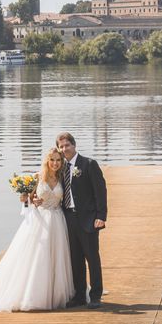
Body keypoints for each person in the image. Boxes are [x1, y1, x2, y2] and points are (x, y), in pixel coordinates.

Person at [0, 148, 74, 312]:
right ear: (47, 161)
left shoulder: (63, 178)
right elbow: (24, 200)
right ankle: (32, 294)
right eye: (52, 160)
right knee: (37, 256)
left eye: (58, 160)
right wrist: (32, 201)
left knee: (56, 257)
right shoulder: (37, 177)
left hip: (57, 219)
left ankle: (55, 293)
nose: (55, 163)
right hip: (39, 219)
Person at [56, 132, 107, 309]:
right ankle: (79, 295)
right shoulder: (60, 167)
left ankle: (95, 296)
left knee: (92, 258)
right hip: (68, 218)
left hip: (88, 218)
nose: (64, 149)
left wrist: (101, 216)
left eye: (67, 145)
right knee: (75, 259)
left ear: (74, 145)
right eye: (61, 147)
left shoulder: (89, 164)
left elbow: (100, 192)